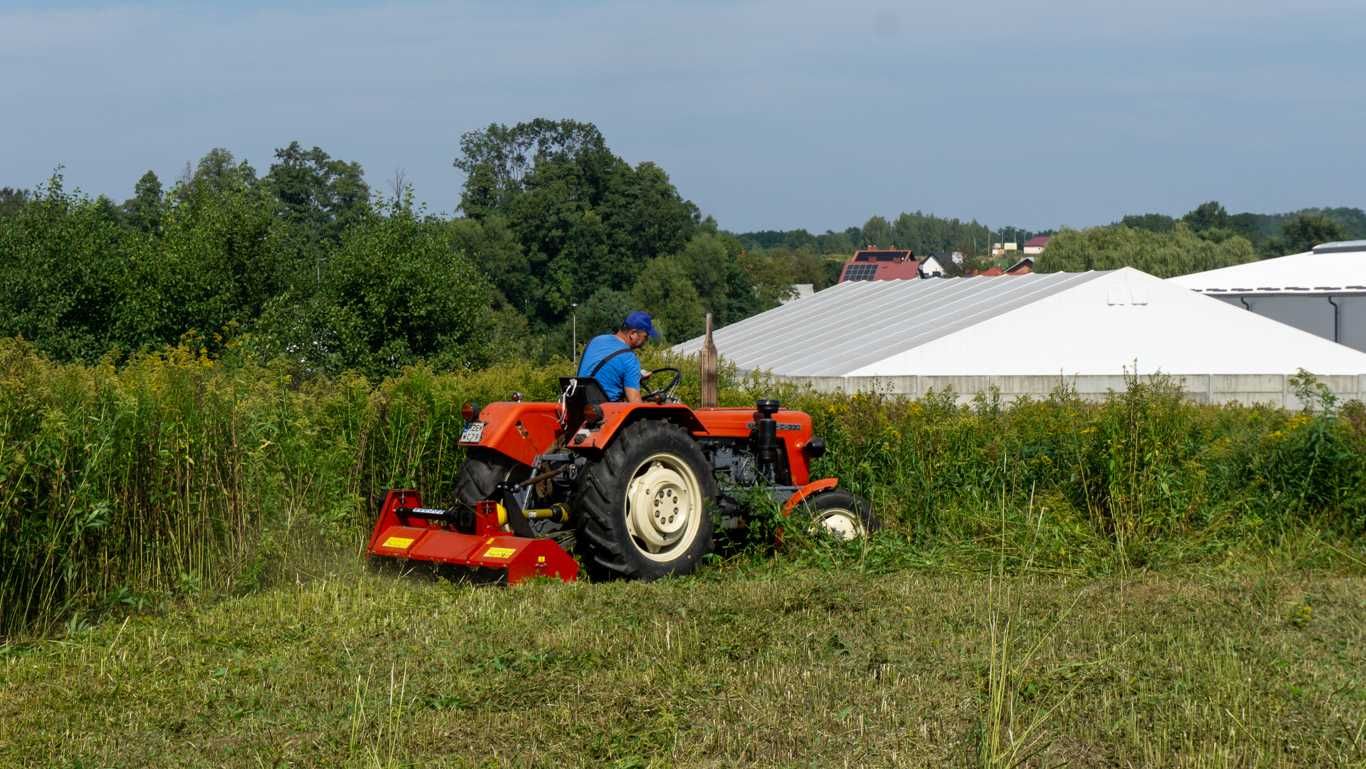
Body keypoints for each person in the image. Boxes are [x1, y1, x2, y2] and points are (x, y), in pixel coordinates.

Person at [576, 311, 657, 403]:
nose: (646, 341)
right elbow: (635, 402)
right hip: (606, 412)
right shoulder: (629, 358)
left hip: (579, 405)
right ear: (633, 333)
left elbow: (605, 373)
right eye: (645, 337)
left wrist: (636, 377)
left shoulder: (596, 340)